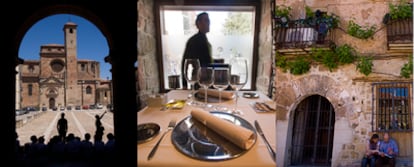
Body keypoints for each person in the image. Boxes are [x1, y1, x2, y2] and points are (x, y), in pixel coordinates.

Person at [181, 12, 213, 89]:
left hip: (208, 80)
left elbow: (206, 60)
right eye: (206, 20)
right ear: (198, 24)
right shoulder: (193, 41)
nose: (209, 23)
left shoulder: (204, 40)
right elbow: (185, 62)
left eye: (209, 20)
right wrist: (184, 84)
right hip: (199, 80)